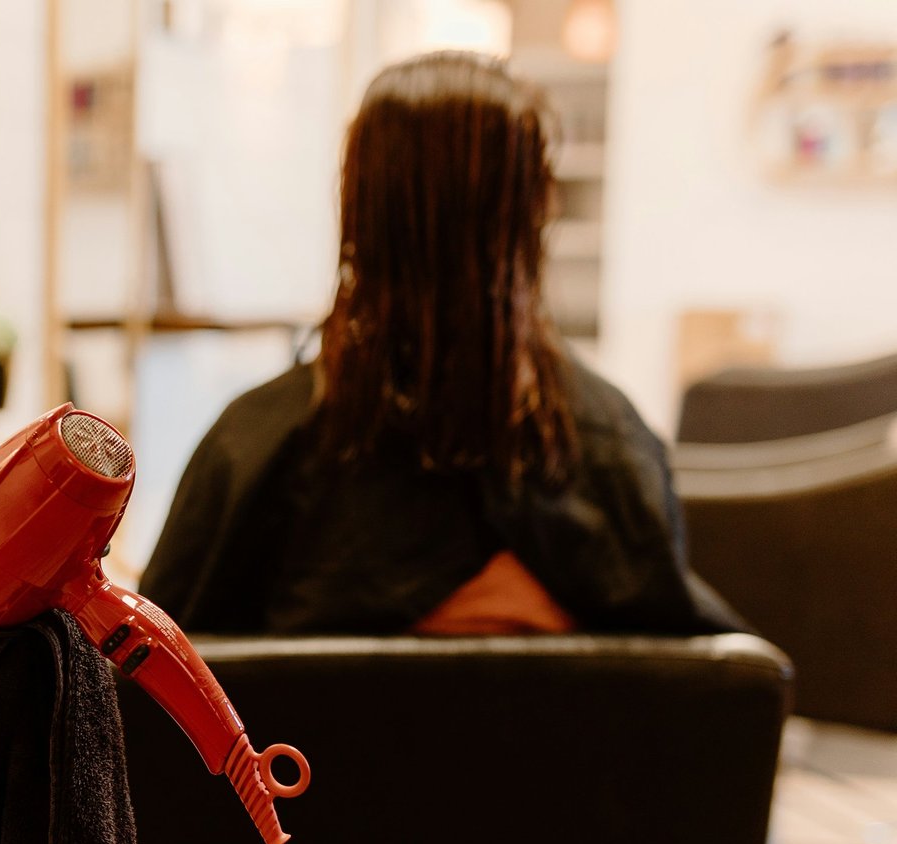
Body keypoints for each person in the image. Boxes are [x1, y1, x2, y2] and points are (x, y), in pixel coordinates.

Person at [140, 52, 740, 639]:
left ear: (358, 209)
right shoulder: (613, 449)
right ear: (533, 213)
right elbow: (709, 699)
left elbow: (139, 700)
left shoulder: (254, 448)